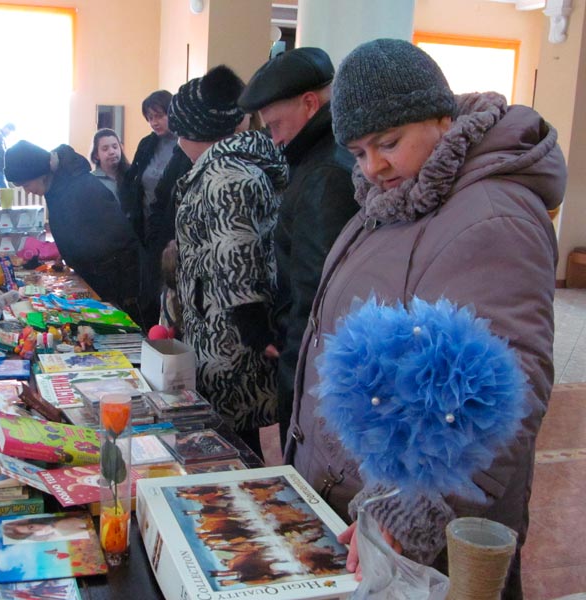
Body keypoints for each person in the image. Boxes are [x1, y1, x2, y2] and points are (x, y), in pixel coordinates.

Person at [284, 39, 566, 598]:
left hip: (419, 543)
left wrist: (408, 513)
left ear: (442, 117)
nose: (375, 165)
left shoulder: (492, 218)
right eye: (359, 151)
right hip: (357, 516)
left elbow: (507, 388)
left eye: (389, 143)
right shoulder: (394, 199)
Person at [238, 47, 358, 451]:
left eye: (275, 124)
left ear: (310, 103)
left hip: (315, 362)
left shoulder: (323, 174)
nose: (273, 138)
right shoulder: (323, 157)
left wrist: (293, 381)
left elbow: (318, 296)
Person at [168, 65, 289, 459]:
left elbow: (238, 252)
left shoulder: (225, 175)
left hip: (228, 334)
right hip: (217, 321)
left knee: (232, 439)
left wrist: (253, 329)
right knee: (230, 435)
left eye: (178, 132)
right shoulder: (223, 168)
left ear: (195, 133)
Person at [4, 140, 141, 321]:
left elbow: (113, 239)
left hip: (116, 281)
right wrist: (67, 251)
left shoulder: (78, 187)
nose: (27, 192)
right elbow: (75, 228)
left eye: (26, 185)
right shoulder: (58, 184)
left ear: (40, 174)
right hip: (97, 273)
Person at [120, 90, 186, 331]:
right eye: (149, 117)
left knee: (169, 292)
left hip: (172, 229)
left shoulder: (184, 144)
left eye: (159, 115)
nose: (154, 122)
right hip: (146, 227)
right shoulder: (147, 144)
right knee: (149, 291)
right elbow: (133, 181)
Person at [90, 128, 129, 200]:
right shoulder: (91, 180)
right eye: (105, 149)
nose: (112, 152)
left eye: (115, 147)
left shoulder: (132, 175)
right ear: (96, 154)